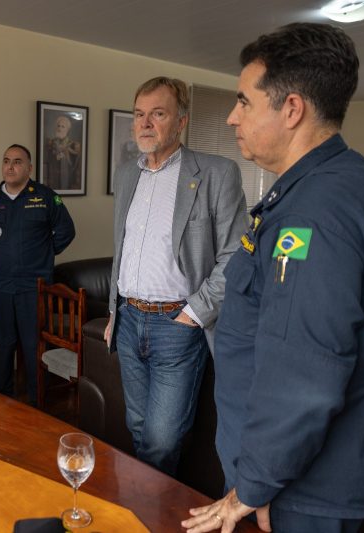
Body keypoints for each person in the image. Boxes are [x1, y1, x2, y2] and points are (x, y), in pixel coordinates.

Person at [183, 23, 364, 533]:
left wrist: (255, 483)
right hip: (295, 475)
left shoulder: (317, 210)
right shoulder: (336, 179)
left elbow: (305, 370)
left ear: (292, 109)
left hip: (303, 487)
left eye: (243, 101)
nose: (232, 116)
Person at [105, 77, 247, 475]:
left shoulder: (217, 173)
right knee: (136, 426)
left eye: (158, 113)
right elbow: (125, 248)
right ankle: (146, 506)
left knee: (162, 439)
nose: (145, 123)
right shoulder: (126, 175)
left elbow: (237, 255)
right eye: (139, 115)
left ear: (181, 121)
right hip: (129, 321)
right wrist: (116, 315)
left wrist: (195, 314)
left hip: (177, 324)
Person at [0, 144, 75, 404]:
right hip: (0, 286)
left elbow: (66, 231)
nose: (10, 166)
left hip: (34, 286)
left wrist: (43, 254)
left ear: (29, 168)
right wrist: (0, 253)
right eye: (6, 161)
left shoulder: (45, 197)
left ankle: (35, 405)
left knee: (33, 349)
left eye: (17, 162)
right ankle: (0, 403)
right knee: (0, 346)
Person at [44, 115, 82, 191]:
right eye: (58, 126)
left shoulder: (74, 145)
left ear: (67, 130)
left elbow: (75, 166)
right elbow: (46, 161)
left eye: (63, 126)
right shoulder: (50, 144)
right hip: (52, 180)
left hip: (68, 181)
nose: (59, 128)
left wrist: (66, 152)